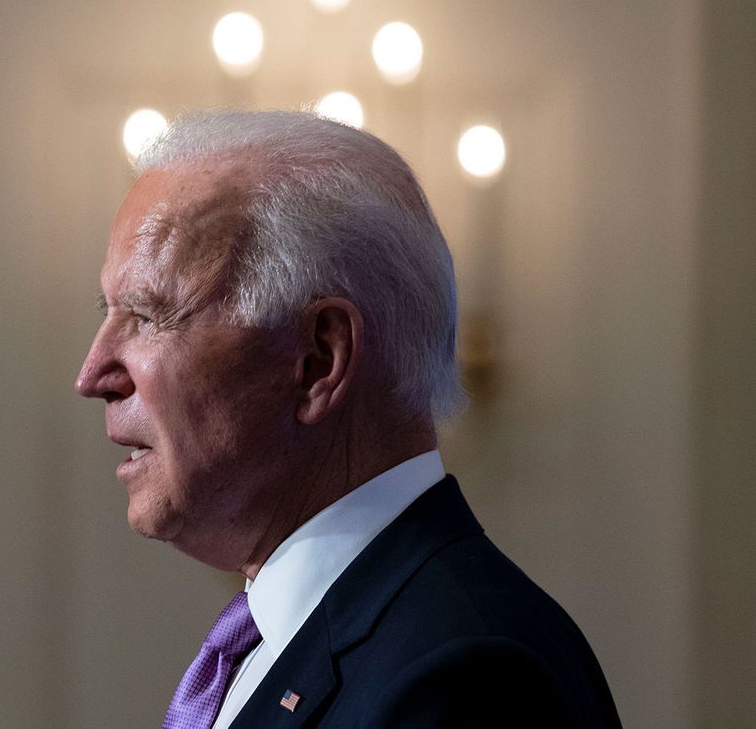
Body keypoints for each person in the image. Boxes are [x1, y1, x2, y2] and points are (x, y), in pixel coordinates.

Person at [75, 109, 621, 728]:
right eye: (108, 312)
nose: (92, 375)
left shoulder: (468, 680)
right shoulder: (276, 643)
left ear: (317, 360)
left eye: (148, 317)